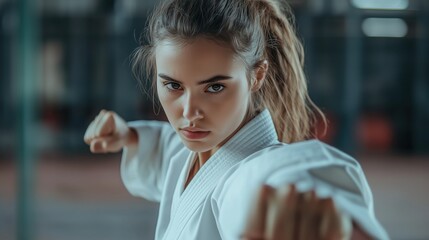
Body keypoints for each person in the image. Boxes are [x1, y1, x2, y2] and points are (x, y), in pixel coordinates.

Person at [84, 0, 388, 239]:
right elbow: (168, 151)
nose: (189, 113)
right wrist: (129, 136)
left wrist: (306, 203)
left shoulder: (249, 177)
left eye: (215, 87)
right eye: (173, 86)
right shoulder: (193, 152)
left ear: (257, 75)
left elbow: (274, 174)